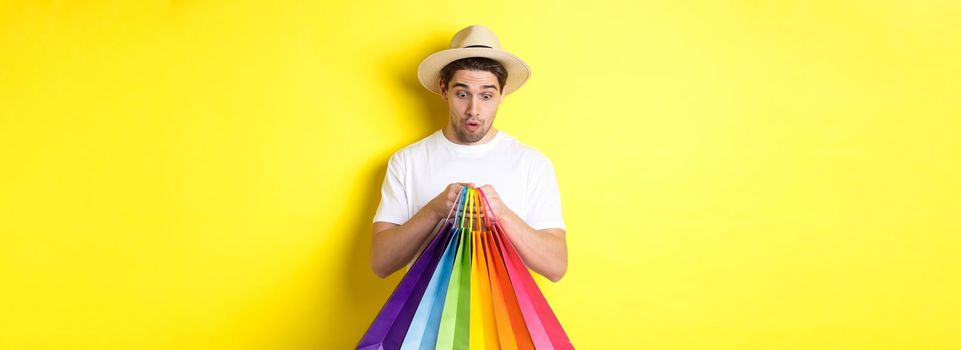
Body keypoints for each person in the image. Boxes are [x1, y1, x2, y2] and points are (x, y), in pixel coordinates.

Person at [370, 25, 568, 282]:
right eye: (462, 94)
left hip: (505, 321)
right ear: (444, 90)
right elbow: (380, 263)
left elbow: (556, 266)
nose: (473, 110)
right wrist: (434, 210)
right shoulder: (407, 161)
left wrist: (503, 215)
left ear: (502, 94)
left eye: (486, 96)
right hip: (427, 321)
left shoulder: (532, 164)